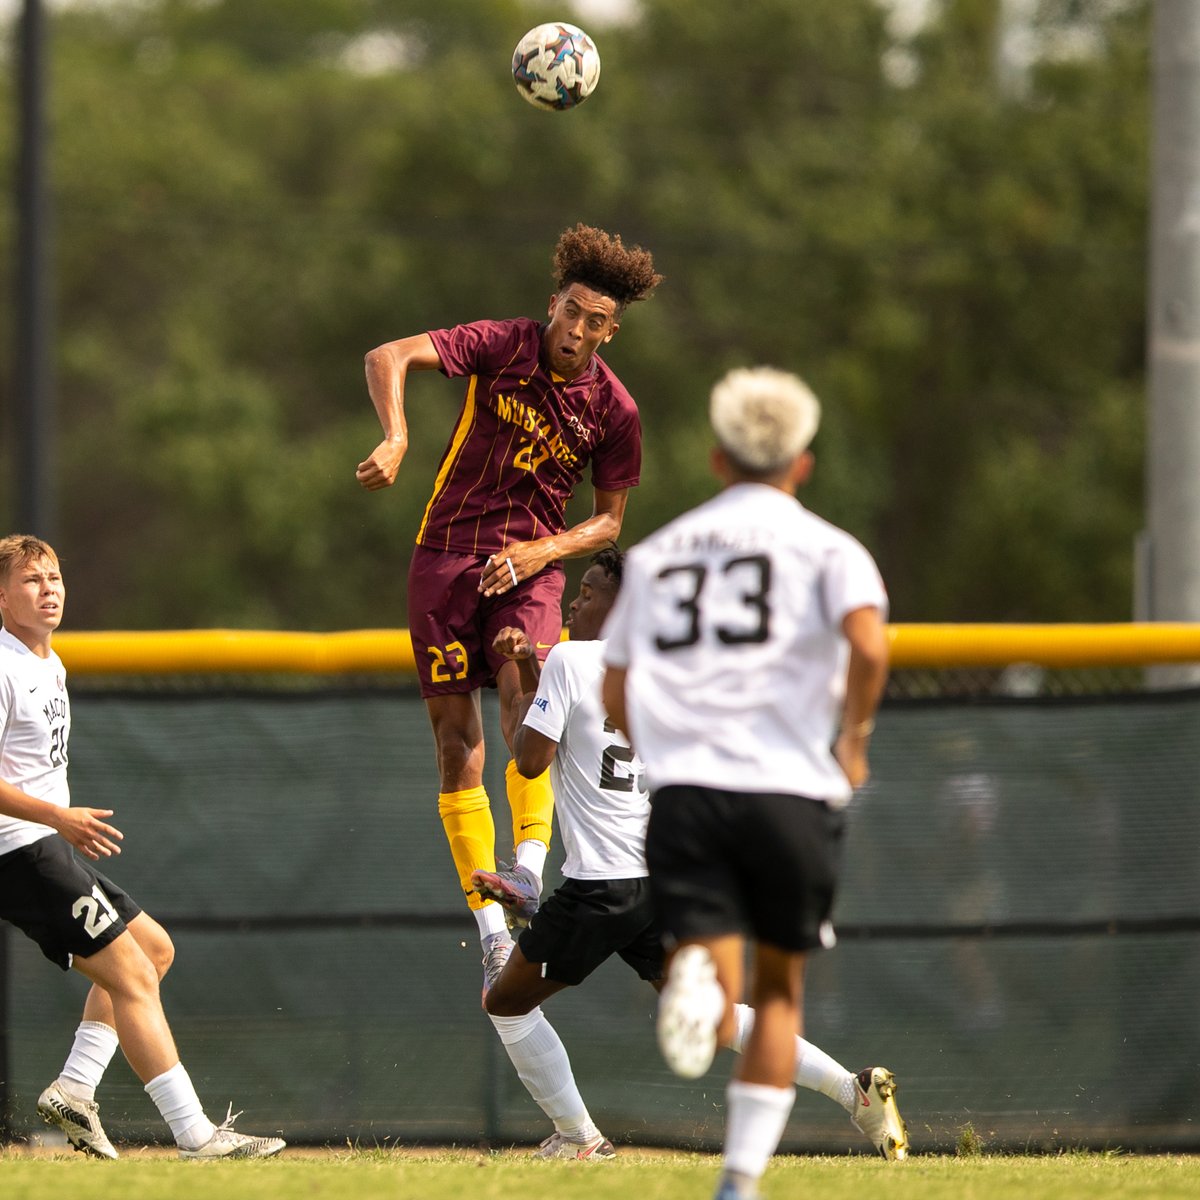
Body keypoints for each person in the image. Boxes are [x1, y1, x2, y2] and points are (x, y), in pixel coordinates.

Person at [479, 548, 907, 1163]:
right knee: (717, 1017)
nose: (575, 601)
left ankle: (579, 1138)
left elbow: (526, 760)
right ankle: (853, 1090)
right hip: (663, 880)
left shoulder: (573, 659)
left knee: (505, 1003)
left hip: (603, 883)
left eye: (589, 589)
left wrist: (517, 676)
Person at [601, 367, 901, 1200]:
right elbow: (870, 650)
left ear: (716, 460)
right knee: (778, 994)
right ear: (802, 464)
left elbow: (616, 681)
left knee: (708, 955)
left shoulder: (659, 554)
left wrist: (655, 744)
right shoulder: (832, 549)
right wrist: (854, 739)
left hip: (689, 793)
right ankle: (738, 1182)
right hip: (789, 791)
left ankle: (699, 966)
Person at [357, 223, 661, 983]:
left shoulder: (614, 410)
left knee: (526, 701)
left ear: (610, 332)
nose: (578, 329)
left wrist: (540, 551)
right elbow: (387, 355)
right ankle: (492, 927)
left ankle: (528, 869)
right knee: (456, 745)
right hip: (444, 558)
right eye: (571, 312)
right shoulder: (502, 344)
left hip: (529, 568)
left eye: (596, 321)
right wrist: (395, 436)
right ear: (552, 303)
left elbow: (610, 523)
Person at [0, 534, 285, 1161]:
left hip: (44, 843)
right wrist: (58, 817)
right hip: (17, 851)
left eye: (54, 577)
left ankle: (74, 1089)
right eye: (30, 581)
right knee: (130, 974)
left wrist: (58, 823)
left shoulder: (49, 662)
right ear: (1, 596)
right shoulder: (3, 666)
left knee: (153, 950)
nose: (48, 590)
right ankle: (197, 1135)